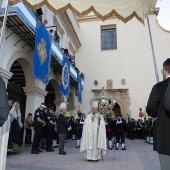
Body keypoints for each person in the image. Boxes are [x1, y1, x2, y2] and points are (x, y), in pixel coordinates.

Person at [146, 58, 170, 170]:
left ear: (165, 70)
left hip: (166, 137)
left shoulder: (159, 87)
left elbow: (151, 109)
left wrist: (159, 112)